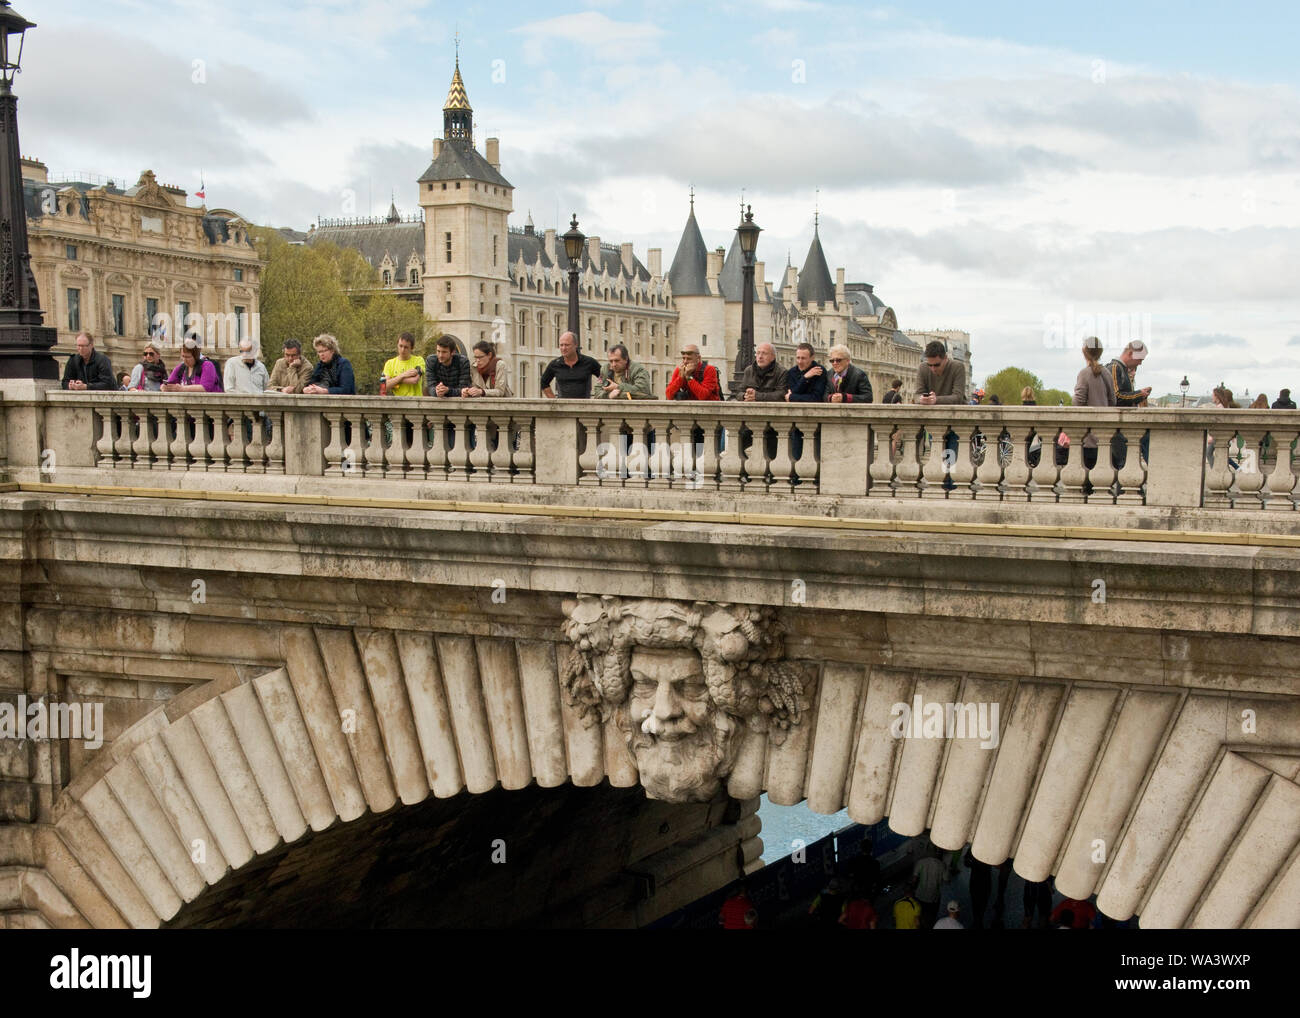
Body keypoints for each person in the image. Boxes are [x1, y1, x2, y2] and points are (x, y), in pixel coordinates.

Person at [784, 342, 826, 470]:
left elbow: (816, 399)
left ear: (812, 358)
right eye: (798, 358)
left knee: (815, 454)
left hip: (814, 419)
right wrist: (806, 377)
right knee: (796, 453)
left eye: (803, 358)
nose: (800, 361)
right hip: (795, 420)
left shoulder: (820, 371)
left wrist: (792, 397)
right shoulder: (791, 372)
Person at [541, 331, 602, 398]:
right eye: (561, 345)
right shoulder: (555, 364)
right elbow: (544, 382)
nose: (563, 348)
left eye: (567, 345)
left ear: (575, 345)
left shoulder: (589, 362)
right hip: (563, 407)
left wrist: (599, 395)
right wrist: (554, 401)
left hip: (584, 406)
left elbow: (605, 377)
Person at [913, 341, 966, 405]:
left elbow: (958, 397)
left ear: (945, 358)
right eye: (929, 365)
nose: (933, 369)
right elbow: (917, 395)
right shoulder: (923, 367)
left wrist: (936, 400)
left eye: (937, 365)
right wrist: (921, 399)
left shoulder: (958, 367)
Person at [380, 332, 425, 397]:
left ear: (411, 348)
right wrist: (402, 375)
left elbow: (414, 380)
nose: (402, 350)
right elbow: (385, 387)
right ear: (397, 345)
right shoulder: (390, 363)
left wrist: (394, 379)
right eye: (400, 346)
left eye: (406, 347)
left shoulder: (418, 360)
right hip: (398, 403)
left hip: (416, 403)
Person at [912, 848, 947, 930]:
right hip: (933, 898)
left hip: (920, 895)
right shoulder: (942, 865)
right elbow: (946, 880)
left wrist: (912, 889)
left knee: (918, 916)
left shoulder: (920, 862)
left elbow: (914, 879)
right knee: (930, 919)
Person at [965, 847, 992, 930]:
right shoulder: (991, 849)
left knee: (976, 902)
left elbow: (966, 862)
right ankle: (978, 922)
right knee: (981, 903)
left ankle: (977, 922)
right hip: (984, 881)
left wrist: (974, 863)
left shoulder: (974, 847)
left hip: (975, 879)